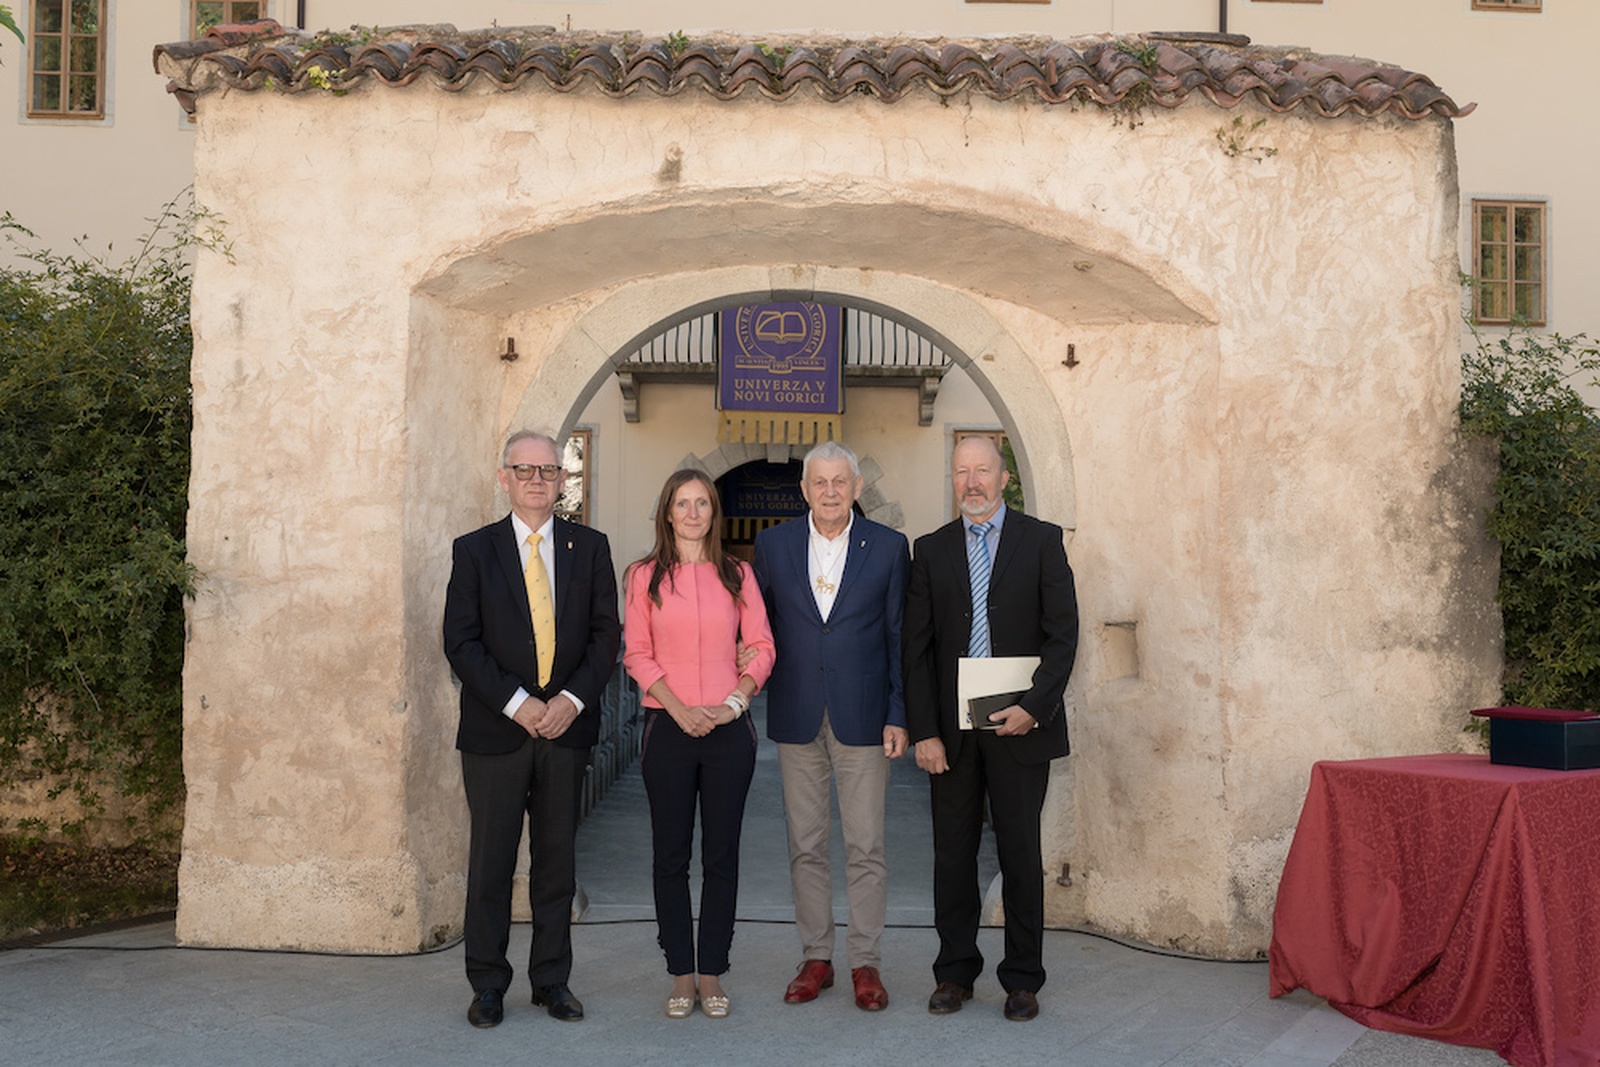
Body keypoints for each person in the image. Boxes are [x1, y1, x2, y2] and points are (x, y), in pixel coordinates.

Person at [442, 430, 621, 1029]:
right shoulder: (475, 550)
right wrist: (519, 703)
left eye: (548, 469)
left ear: (562, 479)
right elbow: (460, 642)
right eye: (525, 470)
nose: (537, 479)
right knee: (491, 862)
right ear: (505, 479)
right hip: (498, 732)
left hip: (566, 730)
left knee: (557, 863)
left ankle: (552, 981)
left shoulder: (589, 548)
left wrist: (570, 699)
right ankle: (488, 984)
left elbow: (605, 637)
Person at [902, 434, 1079, 1023]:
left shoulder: (1042, 541)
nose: (971, 482)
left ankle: (1023, 978)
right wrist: (923, 730)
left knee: (1020, 852)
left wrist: (1035, 706)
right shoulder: (930, 551)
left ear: (1003, 479)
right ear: (952, 480)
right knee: (951, 856)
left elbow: (1063, 636)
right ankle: (954, 973)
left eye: (982, 471)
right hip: (950, 737)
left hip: (1020, 727)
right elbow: (917, 650)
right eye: (961, 472)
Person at [752, 441, 909, 1012]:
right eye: (819, 483)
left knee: (866, 845)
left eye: (840, 482)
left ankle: (866, 962)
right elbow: (757, 629)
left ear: (857, 486)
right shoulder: (772, 546)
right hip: (796, 714)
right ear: (804, 490)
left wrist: (899, 713)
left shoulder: (890, 548)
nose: (830, 491)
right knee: (806, 845)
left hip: (864, 717)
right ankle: (816, 955)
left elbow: (898, 637)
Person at [623, 469, 776, 1020]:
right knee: (670, 856)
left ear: (714, 512)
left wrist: (732, 703)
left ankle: (713, 968)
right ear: (667, 512)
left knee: (721, 856)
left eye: (702, 504)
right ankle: (680, 973)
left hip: (728, 731)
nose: (692, 513)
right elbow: (637, 652)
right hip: (668, 727)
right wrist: (680, 707)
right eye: (682, 504)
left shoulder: (737, 574)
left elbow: (761, 647)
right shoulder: (642, 576)